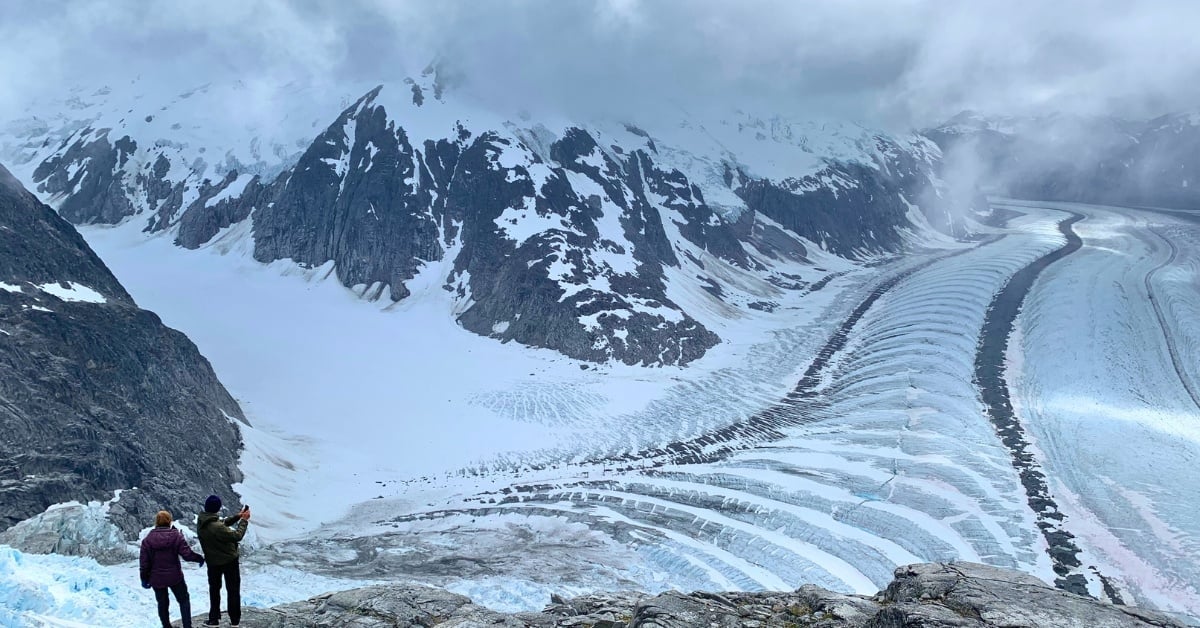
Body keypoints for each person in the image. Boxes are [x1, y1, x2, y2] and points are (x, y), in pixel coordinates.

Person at [140, 510, 205, 628]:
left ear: (156, 522)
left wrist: (144, 579)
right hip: (175, 577)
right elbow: (187, 555)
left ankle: (166, 626)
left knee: (162, 603)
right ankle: (187, 626)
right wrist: (199, 558)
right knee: (184, 600)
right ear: (169, 521)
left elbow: (144, 563)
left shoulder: (147, 540)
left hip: (157, 578)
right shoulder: (176, 536)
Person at [196, 494, 250, 628]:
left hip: (212, 562)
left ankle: (213, 619)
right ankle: (235, 621)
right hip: (228, 561)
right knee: (232, 590)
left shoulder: (203, 521)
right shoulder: (216, 527)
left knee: (214, 590)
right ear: (218, 508)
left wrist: (237, 516)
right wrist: (244, 520)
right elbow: (237, 536)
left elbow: (220, 524)